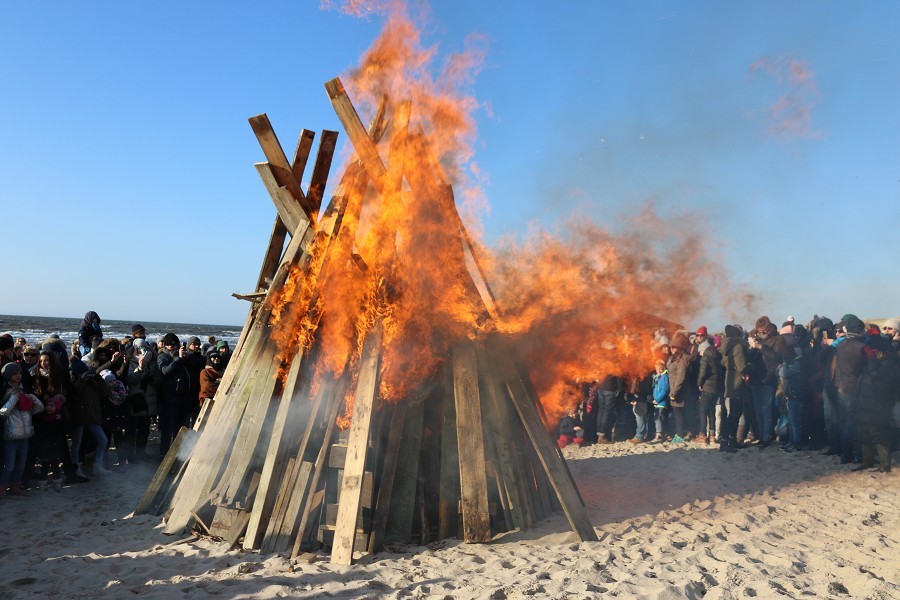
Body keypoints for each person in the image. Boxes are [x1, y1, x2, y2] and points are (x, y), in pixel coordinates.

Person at [853, 334, 898, 472]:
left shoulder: (889, 362)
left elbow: (880, 381)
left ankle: (885, 465)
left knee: (878, 434)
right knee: (864, 432)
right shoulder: (874, 362)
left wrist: (872, 361)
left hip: (878, 404)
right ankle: (867, 461)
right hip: (865, 402)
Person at [1, 363, 44, 497]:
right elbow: (3, 413)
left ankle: (15, 486)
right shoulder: (3, 390)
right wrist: (14, 398)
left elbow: (38, 409)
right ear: (8, 375)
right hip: (10, 436)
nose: (18, 376)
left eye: (19, 373)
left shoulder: (26, 389)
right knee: (9, 466)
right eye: (15, 373)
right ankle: (2, 488)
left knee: (21, 466)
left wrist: (32, 398)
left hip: (25, 435)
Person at [833, 315, 868, 465]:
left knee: (845, 422)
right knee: (856, 423)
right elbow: (867, 368)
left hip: (842, 387)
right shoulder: (862, 348)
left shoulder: (841, 345)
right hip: (855, 388)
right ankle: (858, 455)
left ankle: (845, 455)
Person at [69, 359, 111, 476]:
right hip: (79, 417)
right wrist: (82, 380)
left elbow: (106, 393)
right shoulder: (73, 382)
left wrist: (99, 380)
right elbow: (73, 394)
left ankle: (97, 464)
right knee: (76, 443)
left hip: (91, 416)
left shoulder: (93, 382)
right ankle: (75, 467)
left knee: (103, 440)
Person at [123, 338, 160, 463]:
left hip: (149, 399)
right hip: (135, 398)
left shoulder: (152, 360)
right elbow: (129, 379)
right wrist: (140, 368)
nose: (141, 350)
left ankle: (141, 453)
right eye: (139, 348)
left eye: (143, 347)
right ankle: (129, 455)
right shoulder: (130, 361)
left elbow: (158, 379)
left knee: (144, 429)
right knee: (132, 429)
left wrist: (152, 379)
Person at [157, 333, 192, 458]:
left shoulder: (181, 358)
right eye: (171, 346)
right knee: (167, 429)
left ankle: (178, 455)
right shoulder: (162, 357)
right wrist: (178, 359)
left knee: (181, 428)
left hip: (183, 398)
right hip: (168, 399)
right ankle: (164, 455)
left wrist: (186, 358)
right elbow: (166, 371)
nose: (174, 348)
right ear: (165, 346)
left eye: (176, 346)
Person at [720, 324, 750, 453]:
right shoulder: (738, 346)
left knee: (731, 414)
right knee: (734, 414)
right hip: (737, 381)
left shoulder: (726, 346)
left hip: (729, 379)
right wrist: (750, 367)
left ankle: (726, 441)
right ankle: (729, 442)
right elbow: (742, 366)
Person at [695, 326, 722, 444]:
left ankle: (702, 435)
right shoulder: (716, 352)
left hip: (707, 385)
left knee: (703, 410)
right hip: (716, 385)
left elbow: (702, 371)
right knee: (711, 410)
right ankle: (712, 435)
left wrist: (699, 383)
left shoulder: (706, 354)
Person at [666, 333, 691, 443]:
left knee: (678, 413)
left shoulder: (683, 359)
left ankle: (680, 435)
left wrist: (674, 392)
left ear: (679, 348)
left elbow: (681, 377)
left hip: (679, 391)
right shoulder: (673, 358)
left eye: (674, 347)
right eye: (671, 347)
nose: (671, 349)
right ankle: (678, 433)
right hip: (672, 389)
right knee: (676, 413)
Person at [651, 360, 670, 442]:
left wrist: (657, 399)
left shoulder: (664, 377)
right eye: (657, 369)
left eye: (660, 369)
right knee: (659, 418)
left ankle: (659, 435)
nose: (658, 371)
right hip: (657, 402)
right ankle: (661, 434)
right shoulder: (657, 377)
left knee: (658, 418)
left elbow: (664, 390)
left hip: (661, 402)